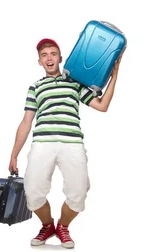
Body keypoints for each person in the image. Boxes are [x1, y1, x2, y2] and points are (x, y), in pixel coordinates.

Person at [9, 38, 123, 248]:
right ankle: (47, 226)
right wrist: (14, 154)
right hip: (42, 143)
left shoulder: (75, 83)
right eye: (44, 55)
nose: (49, 58)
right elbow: (26, 122)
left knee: (79, 192)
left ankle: (63, 227)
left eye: (53, 53)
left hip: (72, 144)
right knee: (32, 192)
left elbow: (102, 105)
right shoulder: (35, 87)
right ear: (39, 62)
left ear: (61, 58)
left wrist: (114, 76)